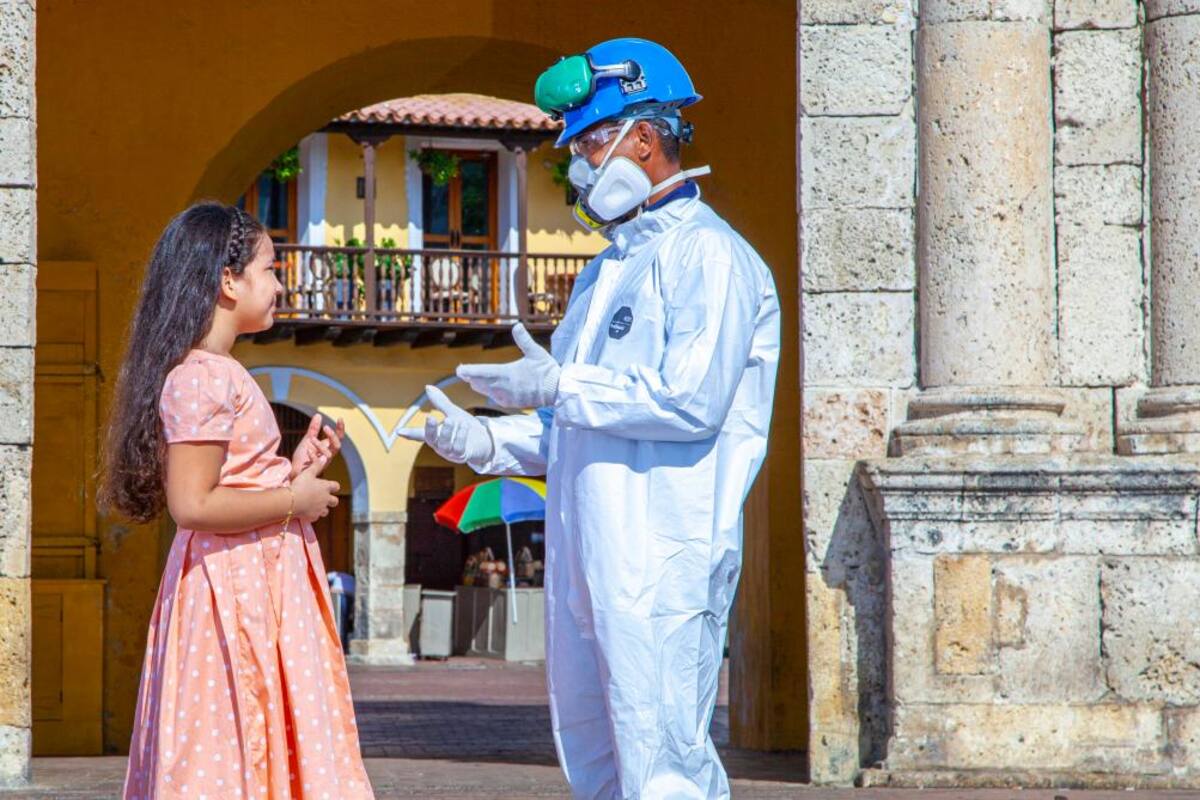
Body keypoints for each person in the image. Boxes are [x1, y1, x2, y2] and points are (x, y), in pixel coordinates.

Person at [402, 38, 780, 800]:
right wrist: (482, 440)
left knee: (663, 762)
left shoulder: (710, 256)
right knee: (595, 755)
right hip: (589, 557)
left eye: (592, 144)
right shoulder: (605, 272)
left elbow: (690, 401)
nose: (578, 166)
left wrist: (561, 386)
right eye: (574, 148)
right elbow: (572, 422)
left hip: (662, 552)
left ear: (646, 138)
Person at [100, 202, 374, 799]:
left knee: (247, 732)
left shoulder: (213, 371)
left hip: (246, 583)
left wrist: (293, 470)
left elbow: (232, 481)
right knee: (231, 732)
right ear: (228, 281)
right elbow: (193, 505)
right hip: (233, 591)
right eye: (270, 269)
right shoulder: (205, 376)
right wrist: (293, 500)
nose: (280, 284)